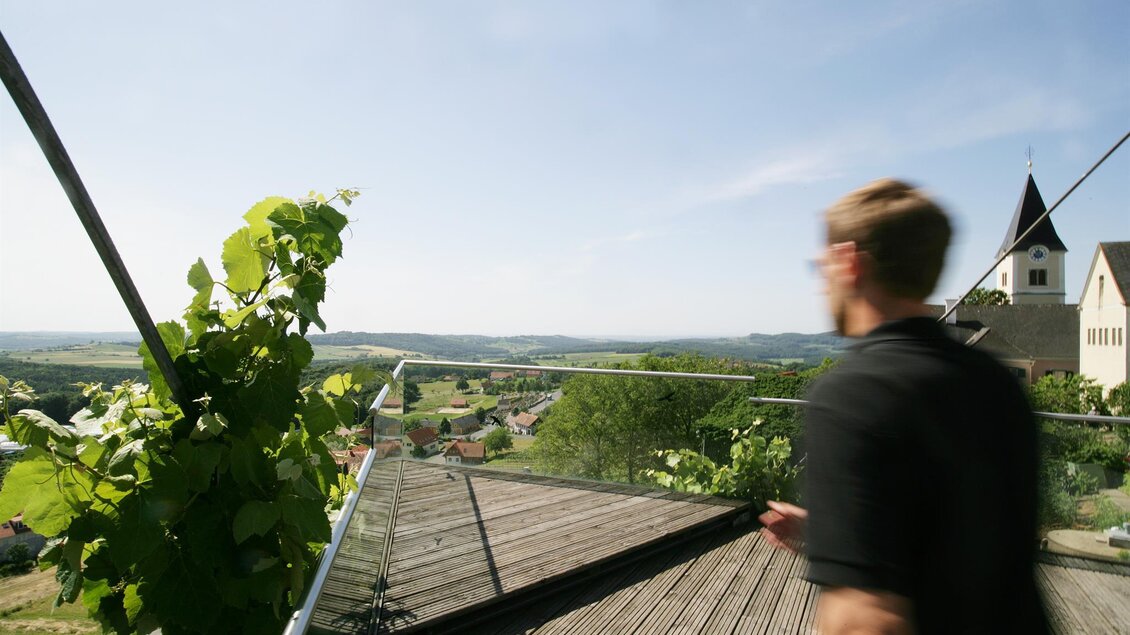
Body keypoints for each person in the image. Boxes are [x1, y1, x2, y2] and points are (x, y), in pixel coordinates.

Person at [759, 179, 1047, 634]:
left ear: (849, 262)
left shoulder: (853, 395)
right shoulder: (993, 381)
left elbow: (864, 620)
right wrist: (836, 528)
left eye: (822, 267)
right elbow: (961, 527)